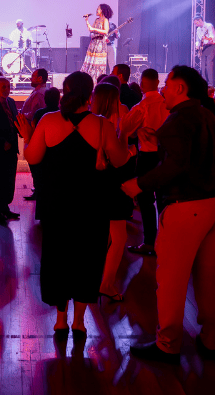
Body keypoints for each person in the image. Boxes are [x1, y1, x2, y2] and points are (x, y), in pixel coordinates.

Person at [121, 66, 215, 362]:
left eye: (167, 84)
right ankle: (211, 338)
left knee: (171, 278)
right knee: (208, 275)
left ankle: (168, 343)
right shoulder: (209, 115)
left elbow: (175, 165)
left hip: (187, 207)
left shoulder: (178, 121)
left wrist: (139, 184)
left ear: (180, 88)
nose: (163, 89)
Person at [17, 72, 129, 340]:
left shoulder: (49, 120)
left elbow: (32, 157)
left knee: (59, 259)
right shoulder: (101, 125)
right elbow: (121, 161)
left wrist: (28, 135)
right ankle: (79, 322)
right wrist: (124, 134)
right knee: (87, 260)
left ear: (65, 92)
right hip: (92, 207)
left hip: (58, 205)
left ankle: (59, 320)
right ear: (90, 94)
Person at [91, 82, 133, 302]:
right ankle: (106, 284)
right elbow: (119, 160)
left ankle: (94, 279)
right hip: (112, 184)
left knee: (100, 234)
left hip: (94, 183)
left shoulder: (90, 121)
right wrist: (126, 137)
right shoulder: (111, 123)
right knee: (118, 238)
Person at [122, 68, 171, 257]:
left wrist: (135, 132)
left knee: (145, 200)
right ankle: (166, 241)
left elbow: (126, 128)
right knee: (165, 200)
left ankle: (150, 242)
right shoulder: (167, 103)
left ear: (142, 84)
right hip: (166, 156)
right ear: (158, 83)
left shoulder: (143, 105)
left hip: (147, 156)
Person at [0, 76, 23, 225]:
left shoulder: (12, 102)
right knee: (2, 180)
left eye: (8, 86)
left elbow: (14, 121)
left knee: (10, 179)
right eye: (3, 87)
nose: (7, 89)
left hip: (12, 147)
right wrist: (3, 142)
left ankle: (4, 208)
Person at [25, 85, 60, 202]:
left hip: (41, 145)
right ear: (58, 99)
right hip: (56, 147)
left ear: (45, 99)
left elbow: (33, 127)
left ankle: (38, 192)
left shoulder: (40, 113)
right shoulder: (61, 113)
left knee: (38, 172)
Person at [80, 4, 112, 81]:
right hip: (94, 42)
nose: (96, 10)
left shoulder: (105, 20)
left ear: (102, 11)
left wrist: (95, 30)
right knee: (90, 61)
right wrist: (87, 21)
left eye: (98, 9)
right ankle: (89, 80)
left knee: (97, 63)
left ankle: (97, 81)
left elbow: (105, 31)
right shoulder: (96, 20)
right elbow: (91, 30)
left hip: (100, 43)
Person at [194, 17, 215, 85]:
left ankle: (211, 84)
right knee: (203, 66)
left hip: (210, 46)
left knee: (209, 64)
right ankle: (204, 83)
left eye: (196, 23)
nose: (195, 25)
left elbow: (212, 38)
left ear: (200, 20)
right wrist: (197, 45)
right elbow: (198, 40)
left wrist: (206, 38)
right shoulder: (198, 29)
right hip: (203, 47)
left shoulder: (209, 26)